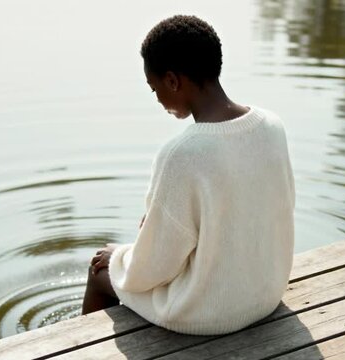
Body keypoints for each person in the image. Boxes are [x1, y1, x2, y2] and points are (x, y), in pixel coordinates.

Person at [81, 14, 295, 335]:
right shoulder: (272, 125)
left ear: (172, 80)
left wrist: (120, 256)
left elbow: (153, 268)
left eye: (155, 89)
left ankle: (76, 348)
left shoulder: (183, 154)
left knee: (100, 270)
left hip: (209, 313)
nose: (157, 99)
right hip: (266, 293)